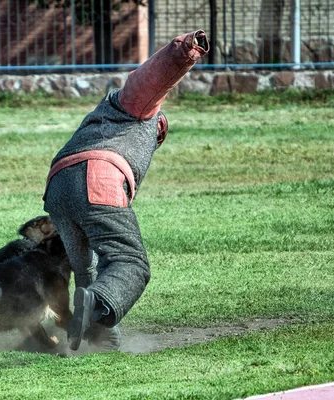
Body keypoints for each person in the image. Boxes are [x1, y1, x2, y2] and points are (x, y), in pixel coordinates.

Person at [43, 30, 210, 351]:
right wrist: (187, 48)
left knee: (88, 269)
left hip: (57, 187)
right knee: (130, 263)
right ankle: (97, 310)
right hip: (96, 177)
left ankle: (101, 339)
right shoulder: (136, 105)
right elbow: (152, 78)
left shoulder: (100, 117)